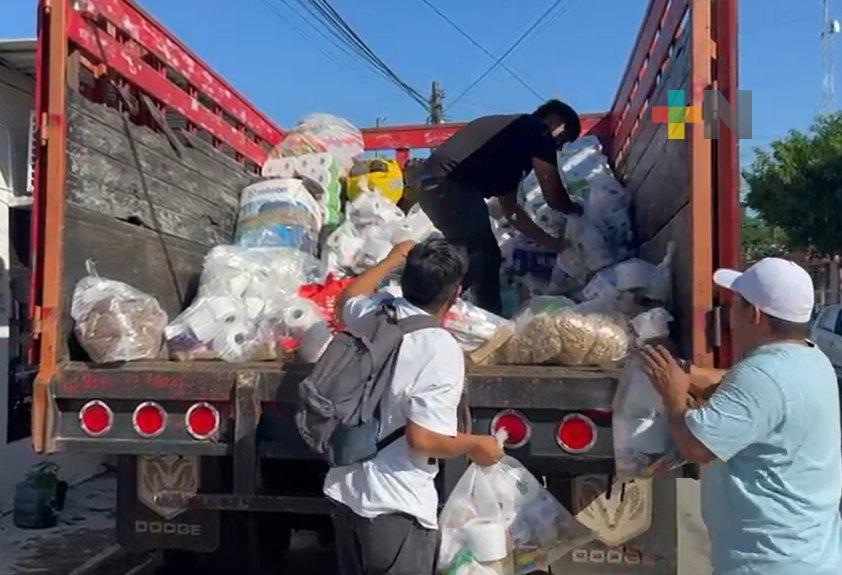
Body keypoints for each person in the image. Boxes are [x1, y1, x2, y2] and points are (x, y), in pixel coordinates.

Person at [641, 257, 842, 575]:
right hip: (811, 556)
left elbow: (696, 447)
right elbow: (750, 390)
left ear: (755, 314)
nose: (729, 314)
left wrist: (674, 397)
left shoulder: (762, 376)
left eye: (736, 305)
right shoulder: (811, 359)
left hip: (769, 563)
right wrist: (690, 374)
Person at [324, 238, 505, 575]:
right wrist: (477, 444)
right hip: (396, 505)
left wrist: (391, 258)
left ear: (405, 280)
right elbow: (421, 439)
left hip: (347, 490)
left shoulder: (379, 313)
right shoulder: (439, 348)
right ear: (454, 295)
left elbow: (347, 300)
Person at [417, 100, 583, 314]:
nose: (559, 147)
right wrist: (578, 213)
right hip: (449, 185)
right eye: (564, 138)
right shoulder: (537, 131)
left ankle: (447, 311)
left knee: (466, 257)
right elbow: (554, 196)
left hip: (433, 185)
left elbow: (511, 211)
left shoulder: (511, 146)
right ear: (555, 122)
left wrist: (554, 244)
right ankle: (489, 322)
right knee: (484, 255)